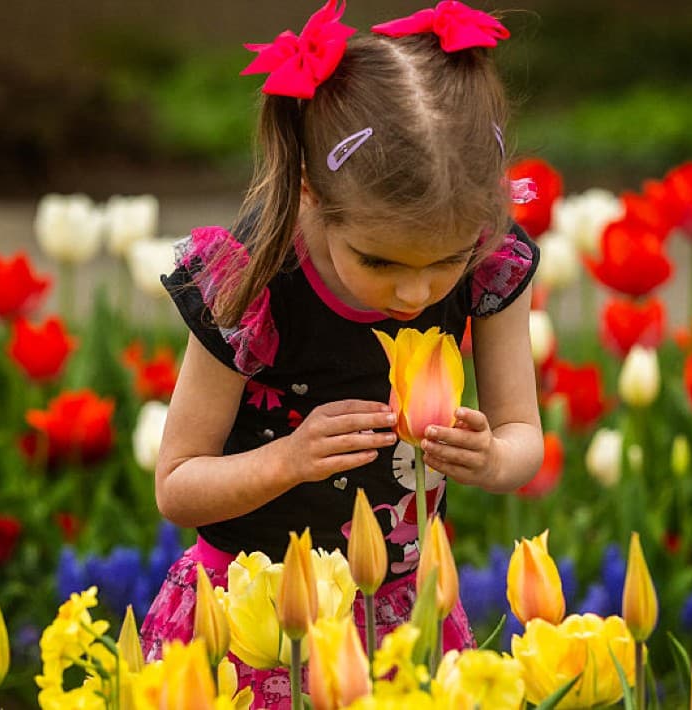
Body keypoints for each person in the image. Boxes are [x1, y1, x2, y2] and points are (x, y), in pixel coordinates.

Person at [138, 2, 543, 705]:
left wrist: (494, 458)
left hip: (404, 611)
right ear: (310, 190)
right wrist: (288, 460)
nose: (416, 291)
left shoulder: (488, 260)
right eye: (379, 261)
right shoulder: (253, 282)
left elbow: (523, 438)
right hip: (262, 612)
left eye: (445, 260)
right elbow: (176, 485)